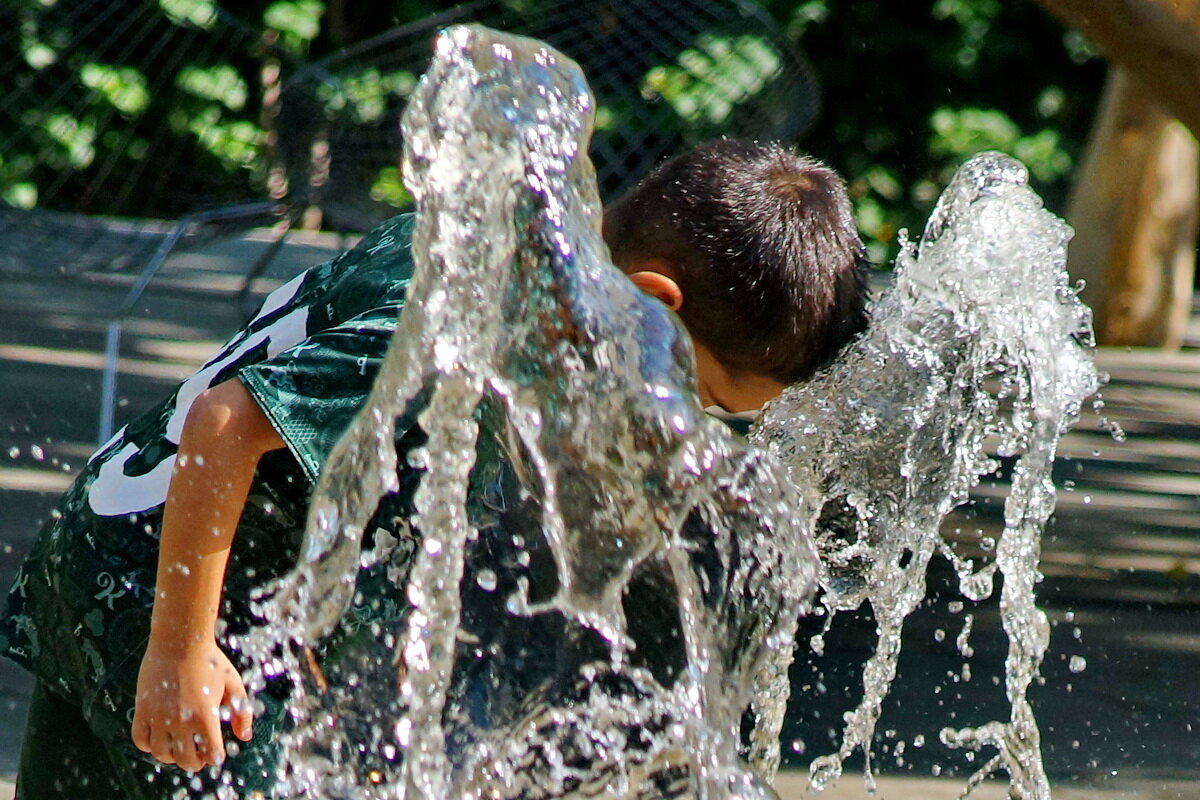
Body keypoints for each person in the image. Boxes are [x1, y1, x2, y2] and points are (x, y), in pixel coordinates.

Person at [0, 138, 869, 799]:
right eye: (706, 393)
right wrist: (180, 650)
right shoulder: (474, 330)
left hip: (115, 543)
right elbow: (224, 424)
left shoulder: (493, 241)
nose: (692, 421)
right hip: (172, 605)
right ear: (650, 301)